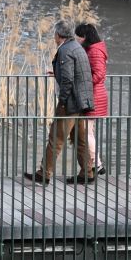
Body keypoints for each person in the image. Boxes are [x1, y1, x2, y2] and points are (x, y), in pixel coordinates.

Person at [27, 21, 95, 186]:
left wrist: (63, 102)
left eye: (54, 35)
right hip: (82, 101)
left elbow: (67, 80)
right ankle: (87, 173)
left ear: (58, 35)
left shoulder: (64, 51)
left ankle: (44, 173)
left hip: (70, 103)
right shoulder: (78, 48)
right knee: (80, 138)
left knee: (55, 138)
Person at [75, 22, 109, 177]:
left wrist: (84, 81)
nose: (77, 39)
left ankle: (97, 164)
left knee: (86, 131)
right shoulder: (93, 49)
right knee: (89, 131)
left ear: (85, 37)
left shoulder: (95, 51)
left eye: (79, 37)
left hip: (93, 95)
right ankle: (97, 163)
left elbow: (99, 74)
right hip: (93, 94)